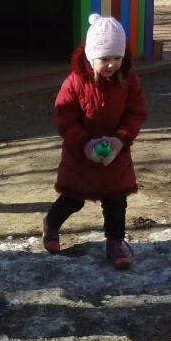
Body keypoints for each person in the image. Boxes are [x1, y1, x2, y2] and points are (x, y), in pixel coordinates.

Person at [42, 15, 147, 268]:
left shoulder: (128, 80)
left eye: (116, 58)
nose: (111, 65)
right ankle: (52, 225)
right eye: (105, 59)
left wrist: (120, 141)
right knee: (72, 197)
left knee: (116, 200)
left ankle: (115, 242)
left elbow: (136, 113)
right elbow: (65, 118)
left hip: (116, 154)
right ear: (90, 57)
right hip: (80, 154)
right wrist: (84, 144)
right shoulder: (74, 83)